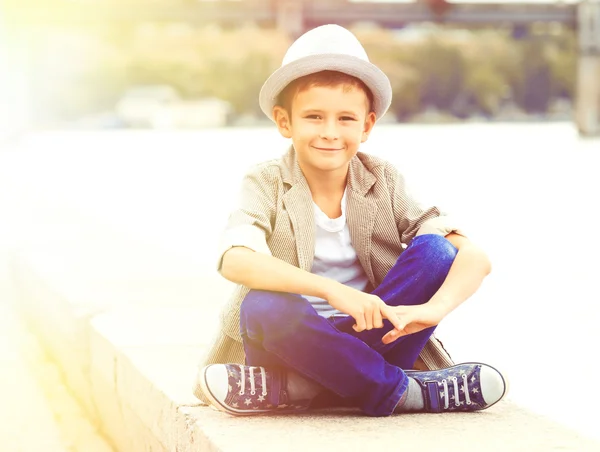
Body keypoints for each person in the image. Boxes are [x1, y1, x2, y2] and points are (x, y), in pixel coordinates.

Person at [194, 24, 507, 417]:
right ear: (284, 121)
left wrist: (436, 309)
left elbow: (474, 256)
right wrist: (332, 291)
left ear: (367, 125)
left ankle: (305, 389)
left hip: (376, 336)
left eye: (345, 119)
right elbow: (235, 259)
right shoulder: (266, 181)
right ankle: (408, 392)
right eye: (313, 117)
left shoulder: (383, 180)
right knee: (263, 304)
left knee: (436, 252)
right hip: (291, 342)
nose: (330, 132)